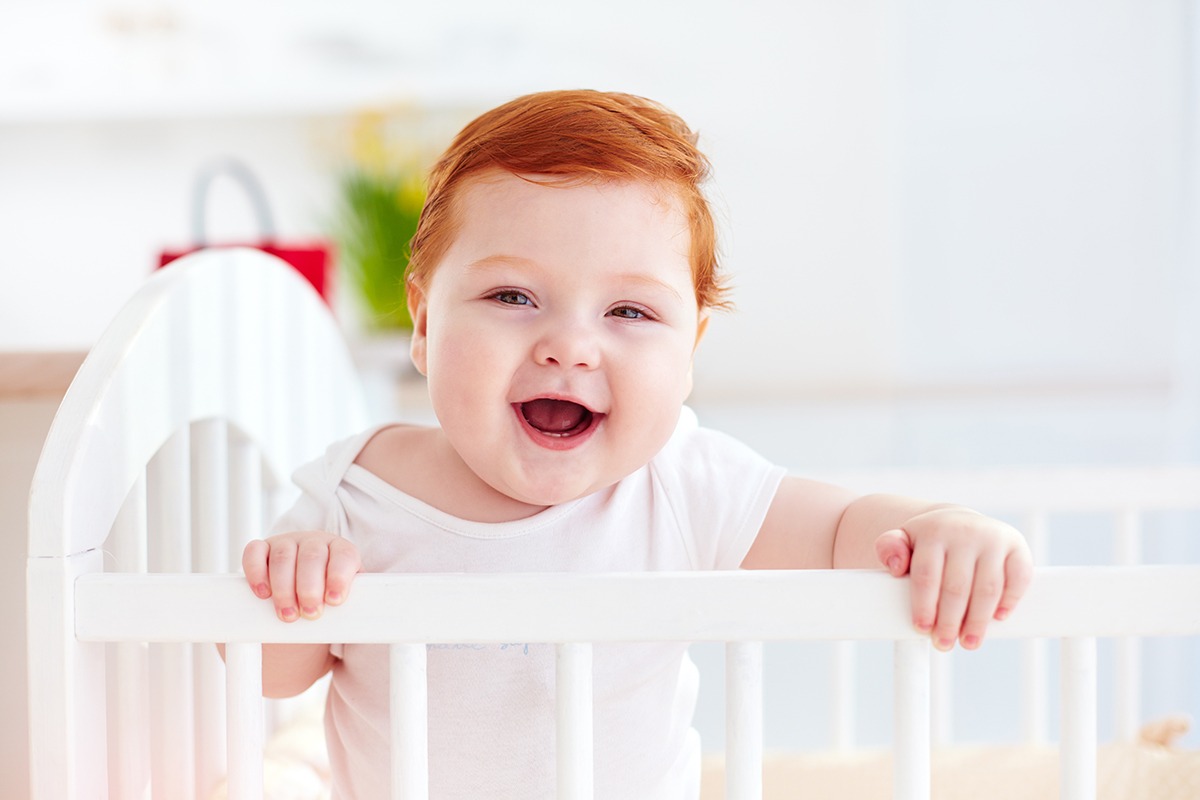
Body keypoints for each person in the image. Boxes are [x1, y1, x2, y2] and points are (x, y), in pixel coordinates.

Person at [237, 89, 1032, 799]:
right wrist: (294, 586)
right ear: (421, 321)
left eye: (629, 313)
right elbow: (268, 678)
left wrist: (938, 525)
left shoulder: (679, 482)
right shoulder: (358, 492)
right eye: (512, 296)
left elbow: (837, 529)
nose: (569, 345)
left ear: (690, 350)